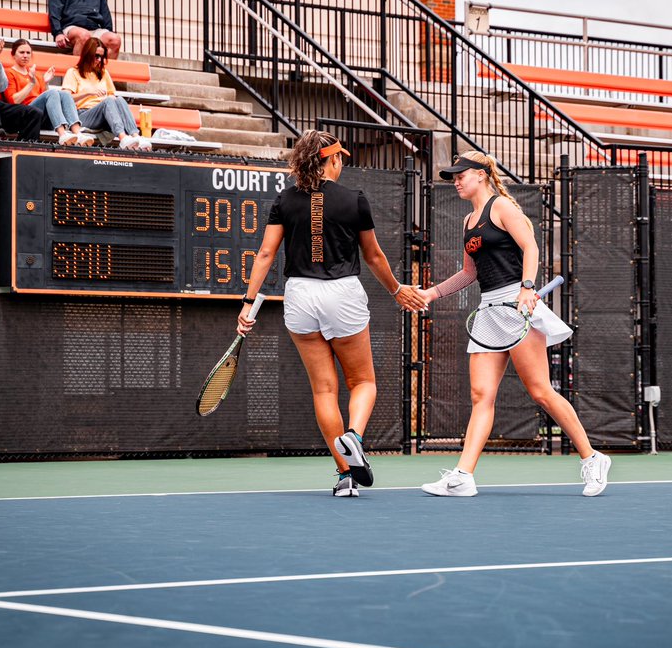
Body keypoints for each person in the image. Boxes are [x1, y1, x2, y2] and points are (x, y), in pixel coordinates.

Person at [236, 130, 427, 497]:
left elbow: (264, 255)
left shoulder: (284, 200)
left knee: (324, 390)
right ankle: (353, 436)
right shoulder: (354, 199)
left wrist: (248, 304)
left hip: (300, 297)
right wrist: (397, 290)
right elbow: (373, 256)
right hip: (342, 294)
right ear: (332, 160)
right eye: (340, 157)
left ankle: (345, 476)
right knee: (363, 382)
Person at [416, 151, 612, 497]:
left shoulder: (503, 208)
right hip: (489, 309)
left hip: (517, 306)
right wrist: (433, 293)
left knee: (540, 392)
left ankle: (593, 458)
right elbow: (469, 272)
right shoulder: (468, 222)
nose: (457, 180)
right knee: (481, 396)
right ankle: (463, 476)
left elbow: (531, 247)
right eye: (454, 176)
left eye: (462, 174)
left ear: (481, 174)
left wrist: (526, 287)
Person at [61, 37, 149, 151]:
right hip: (83, 114)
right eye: (96, 56)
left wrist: (109, 101)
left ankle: (136, 136)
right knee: (108, 101)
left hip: (104, 113)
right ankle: (123, 137)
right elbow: (65, 99)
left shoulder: (103, 73)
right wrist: (87, 93)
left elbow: (112, 95)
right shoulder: (73, 72)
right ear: (88, 54)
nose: (99, 60)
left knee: (120, 100)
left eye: (101, 57)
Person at [3, 38, 90, 146]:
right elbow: (14, 101)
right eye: (21, 52)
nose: (25, 55)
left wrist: (46, 83)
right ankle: (62, 134)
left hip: (40, 117)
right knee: (52, 93)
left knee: (64, 94)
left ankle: (78, 133)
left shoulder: (37, 75)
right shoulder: (9, 73)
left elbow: (49, 102)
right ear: (13, 55)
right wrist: (31, 83)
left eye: (28, 53)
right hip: (24, 115)